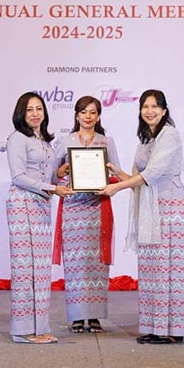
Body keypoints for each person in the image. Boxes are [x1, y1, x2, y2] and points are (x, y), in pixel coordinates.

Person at [99, 89, 184, 344]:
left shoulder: (169, 134)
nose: (149, 111)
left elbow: (152, 174)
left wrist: (117, 187)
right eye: (145, 107)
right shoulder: (147, 138)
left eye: (154, 106)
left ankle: (173, 330)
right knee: (152, 268)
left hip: (170, 207)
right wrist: (116, 172)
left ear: (164, 110)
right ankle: (155, 326)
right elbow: (138, 178)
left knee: (168, 268)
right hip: (151, 207)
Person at [5, 92, 73, 344]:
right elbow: (18, 177)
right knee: (25, 268)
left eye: (39, 109)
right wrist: (54, 187)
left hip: (42, 205)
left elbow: (48, 178)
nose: (35, 114)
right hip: (22, 204)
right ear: (21, 114)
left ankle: (39, 327)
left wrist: (60, 175)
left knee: (40, 270)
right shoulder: (17, 138)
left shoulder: (44, 141)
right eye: (29, 109)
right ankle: (22, 330)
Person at [53, 96, 121, 334]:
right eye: (83, 112)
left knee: (96, 264)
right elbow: (53, 176)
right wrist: (61, 171)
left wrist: (107, 178)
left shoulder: (106, 142)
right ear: (76, 115)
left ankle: (94, 317)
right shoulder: (65, 141)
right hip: (72, 208)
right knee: (75, 265)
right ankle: (76, 317)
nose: (88, 116)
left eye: (93, 112)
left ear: (99, 116)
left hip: (97, 207)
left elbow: (117, 175)